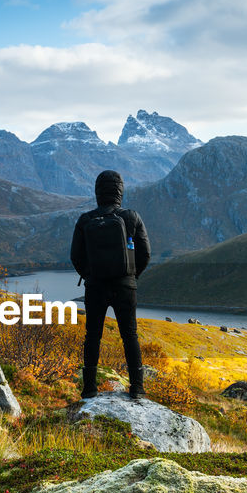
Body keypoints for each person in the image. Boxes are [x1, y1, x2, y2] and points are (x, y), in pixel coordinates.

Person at [70, 170, 150, 399]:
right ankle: (137, 387)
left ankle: (89, 388)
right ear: (120, 191)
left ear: (98, 191)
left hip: (95, 287)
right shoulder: (132, 217)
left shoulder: (86, 220)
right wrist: (132, 277)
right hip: (125, 286)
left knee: (92, 336)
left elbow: (76, 256)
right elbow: (145, 253)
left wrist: (90, 275)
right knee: (130, 336)